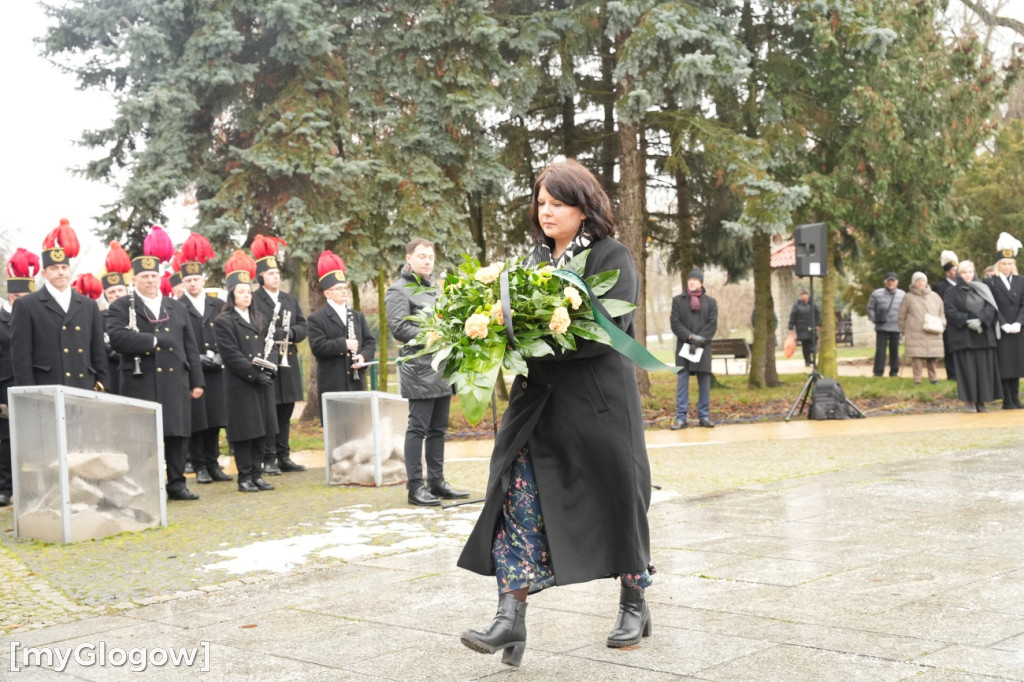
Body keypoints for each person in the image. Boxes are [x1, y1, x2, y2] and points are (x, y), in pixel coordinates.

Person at [458, 160, 654, 667]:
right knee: (517, 499)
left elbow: (609, 327)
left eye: (557, 203)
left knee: (619, 499)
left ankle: (634, 601)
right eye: (540, 203)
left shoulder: (613, 256)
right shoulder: (531, 260)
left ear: (583, 206)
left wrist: (534, 338)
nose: (546, 212)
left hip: (596, 405)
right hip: (537, 407)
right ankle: (509, 619)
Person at [106, 230, 205, 501]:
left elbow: (190, 346)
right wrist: (153, 341)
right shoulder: (122, 306)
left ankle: (176, 483)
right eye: (144, 276)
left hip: (176, 380)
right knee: (142, 437)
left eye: (153, 275)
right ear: (135, 279)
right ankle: (146, 484)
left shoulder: (177, 307)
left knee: (177, 433)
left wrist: (197, 381)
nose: (150, 280)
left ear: (160, 277)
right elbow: (117, 338)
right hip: (141, 380)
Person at [385, 239, 468, 507]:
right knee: (418, 428)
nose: (427, 261)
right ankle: (414, 487)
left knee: (438, 430)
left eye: (430, 257)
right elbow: (399, 328)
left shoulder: (435, 289)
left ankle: (437, 482)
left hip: (442, 368)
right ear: (408, 258)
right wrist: (432, 335)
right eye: (421, 256)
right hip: (420, 369)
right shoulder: (398, 290)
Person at [11, 219, 109, 392]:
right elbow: (21, 356)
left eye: (64, 267)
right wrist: (28, 393)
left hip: (84, 385)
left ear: (70, 271)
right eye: (54, 268)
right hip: (47, 386)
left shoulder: (88, 306)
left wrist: (103, 384)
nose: (61, 272)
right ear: (44, 273)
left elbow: (98, 351)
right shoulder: (26, 305)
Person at [213, 251, 278, 493]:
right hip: (241, 384)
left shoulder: (259, 317)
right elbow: (231, 355)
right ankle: (245, 476)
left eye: (249, 292)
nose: (246, 296)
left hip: (262, 382)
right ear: (231, 295)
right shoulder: (224, 321)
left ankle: (258, 473)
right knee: (245, 432)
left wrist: (270, 369)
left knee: (262, 430)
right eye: (241, 292)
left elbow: (270, 345)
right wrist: (254, 374)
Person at [251, 235, 308, 475]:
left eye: (277, 272)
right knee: (269, 410)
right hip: (269, 360)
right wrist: (272, 335)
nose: (276, 276)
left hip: (289, 360)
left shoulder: (290, 299)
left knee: (286, 410)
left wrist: (291, 332)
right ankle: (269, 457)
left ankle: (284, 455)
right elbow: (254, 327)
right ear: (261, 276)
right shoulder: (254, 299)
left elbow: (303, 326)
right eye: (271, 273)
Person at [179, 233, 232, 483]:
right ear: (183, 282)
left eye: (196, 279)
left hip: (217, 369)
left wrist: (221, 355)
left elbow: (226, 332)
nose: (192, 284)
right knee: (198, 419)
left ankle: (214, 463)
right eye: (188, 280)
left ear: (203, 279)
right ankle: (199, 464)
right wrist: (196, 359)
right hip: (193, 369)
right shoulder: (177, 306)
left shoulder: (217, 304)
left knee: (216, 418)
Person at [307, 251, 377, 418]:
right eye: (338, 289)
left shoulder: (357, 316)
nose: (344, 291)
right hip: (333, 384)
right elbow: (318, 347)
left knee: (359, 429)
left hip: (356, 383)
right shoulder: (317, 319)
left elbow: (369, 342)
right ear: (327, 293)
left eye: (345, 287)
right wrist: (344, 344)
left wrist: (363, 357)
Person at [0, 249, 39, 507]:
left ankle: (33, 486)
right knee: (6, 439)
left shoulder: (35, 316)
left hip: (32, 381)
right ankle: (5, 487)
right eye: (24, 298)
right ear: (13, 297)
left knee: (33, 436)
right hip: (4, 384)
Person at [942, 260, 1002, 412]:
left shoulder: (984, 289)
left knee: (983, 369)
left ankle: (981, 401)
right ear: (959, 274)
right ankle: (969, 400)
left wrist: (981, 320)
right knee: (967, 370)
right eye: (964, 272)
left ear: (974, 272)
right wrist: (967, 321)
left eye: (970, 272)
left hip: (983, 335)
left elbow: (991, 307)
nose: (968, 275)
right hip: (964, 337)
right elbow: (950, 311)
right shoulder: (951, 292)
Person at [669, 268, 717, 429]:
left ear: (701, 282)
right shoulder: (678, 301)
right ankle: (681, 418)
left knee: (704, 383)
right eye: (690, 279)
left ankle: (704, 416)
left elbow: (712, 323)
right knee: (682, 382)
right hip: (684, 347)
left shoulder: (711, 302)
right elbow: (675, 323)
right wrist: (690, 337)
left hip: (703, 348)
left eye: (695, 280)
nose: (691, 282)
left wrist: (699, 339)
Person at [986, 233, 1024, 409]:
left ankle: (1016, 397)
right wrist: (1002, 323)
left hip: (1017, 329)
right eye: (1003, 263)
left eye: (1010, 263)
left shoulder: (1021, 280)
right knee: (1004, 364)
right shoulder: (991, 282)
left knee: (1016, 364)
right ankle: (1007, 398)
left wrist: (1018, 322)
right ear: (998, 265)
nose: (1007, 266)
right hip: (1001, 328)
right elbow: (991, 305)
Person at [898, 272, 946, 385]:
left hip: (933, 332)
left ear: (926, 282)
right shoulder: (908, 297)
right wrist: (903, 330)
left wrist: (942, 323)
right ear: (913, 283)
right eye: (917, 281)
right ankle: (917, 380)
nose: (920, 283)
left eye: (922, 280)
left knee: (932, 358)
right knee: (917, 359)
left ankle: (933, 379)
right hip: (915, 333)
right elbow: (901, 315)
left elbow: (942, 312)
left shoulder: (935, 296)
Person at [100, 240, 134, 396]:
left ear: (126, 291)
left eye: (119, 290)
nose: (116, 295)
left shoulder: (137, 314)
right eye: (111, 292)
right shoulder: (99, 318)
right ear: (106, 295)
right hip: (113, 374)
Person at [867, 272, 905, 377]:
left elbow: (906, 310)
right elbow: (870, 309)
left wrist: (903, 324)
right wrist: (875, 319)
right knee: (880, 351)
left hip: (896, 327)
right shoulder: (876, 294)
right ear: (885, 282)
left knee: (894, 351)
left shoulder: (902, 294)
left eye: (893, 281)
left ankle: (894, 372)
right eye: (889, 281)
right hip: (881, 327)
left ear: (897, 283)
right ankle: (878, 372)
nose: (891, 283)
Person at [932, 251, 959, 380]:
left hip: (961, 321)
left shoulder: (962, 284)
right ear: (948, 272)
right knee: (950, 349)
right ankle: (952, 375)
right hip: (948, 323)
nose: (957, 272)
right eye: (954, 270)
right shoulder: (939, 286)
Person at [787, 288, 820, 368]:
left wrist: (818, 324)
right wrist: (790, 328)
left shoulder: (812, 304)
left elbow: (817, 314)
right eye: (803, 296)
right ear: (801, 297)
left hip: (811, 327)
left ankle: (812, 357)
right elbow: (793, 317)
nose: (805, 298)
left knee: (813, 341)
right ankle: (807, 360)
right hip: (802, 328)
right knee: (805, 345)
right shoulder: (797, 306)